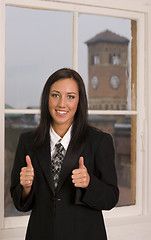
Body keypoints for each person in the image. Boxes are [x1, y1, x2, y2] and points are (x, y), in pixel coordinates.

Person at [10, 68, 119, 240]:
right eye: (55, 95)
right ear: (47, 98)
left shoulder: (99, 141)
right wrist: (25, 188)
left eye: (70, 96)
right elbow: (20, 204)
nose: (62, 104)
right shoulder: (28, 142)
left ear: (79, 101)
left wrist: (89, 183)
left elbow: (111, 198)